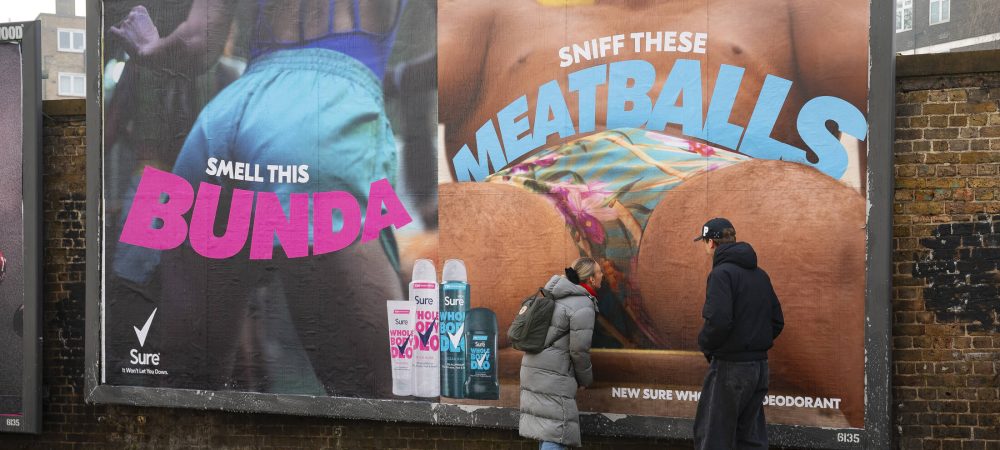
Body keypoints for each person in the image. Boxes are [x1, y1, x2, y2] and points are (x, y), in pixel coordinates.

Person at [107, 0, 412, 397]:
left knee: (188, 394)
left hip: (220, 125)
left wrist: (149, 45)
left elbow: (197, 44)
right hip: (322, 118)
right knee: (386, 397)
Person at [693, 218, 784, 449]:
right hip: (759, 368)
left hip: (730, 368)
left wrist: (706, 345)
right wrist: (753, 343)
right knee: (750, 439)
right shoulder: (760, 275)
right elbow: (777, 321)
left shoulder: (721, 275)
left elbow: (719, 321)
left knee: (714, 438)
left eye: (704, 242)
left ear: (711, 243)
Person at [519, 257, 601, 449]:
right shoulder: (582, 304)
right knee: (557, 431)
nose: (602, 275)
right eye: (599, 272)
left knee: (547, 428)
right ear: (590, 279)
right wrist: (585, 380)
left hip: (534, 367)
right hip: (553, 373)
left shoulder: (554, 295)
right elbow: (579, 350)